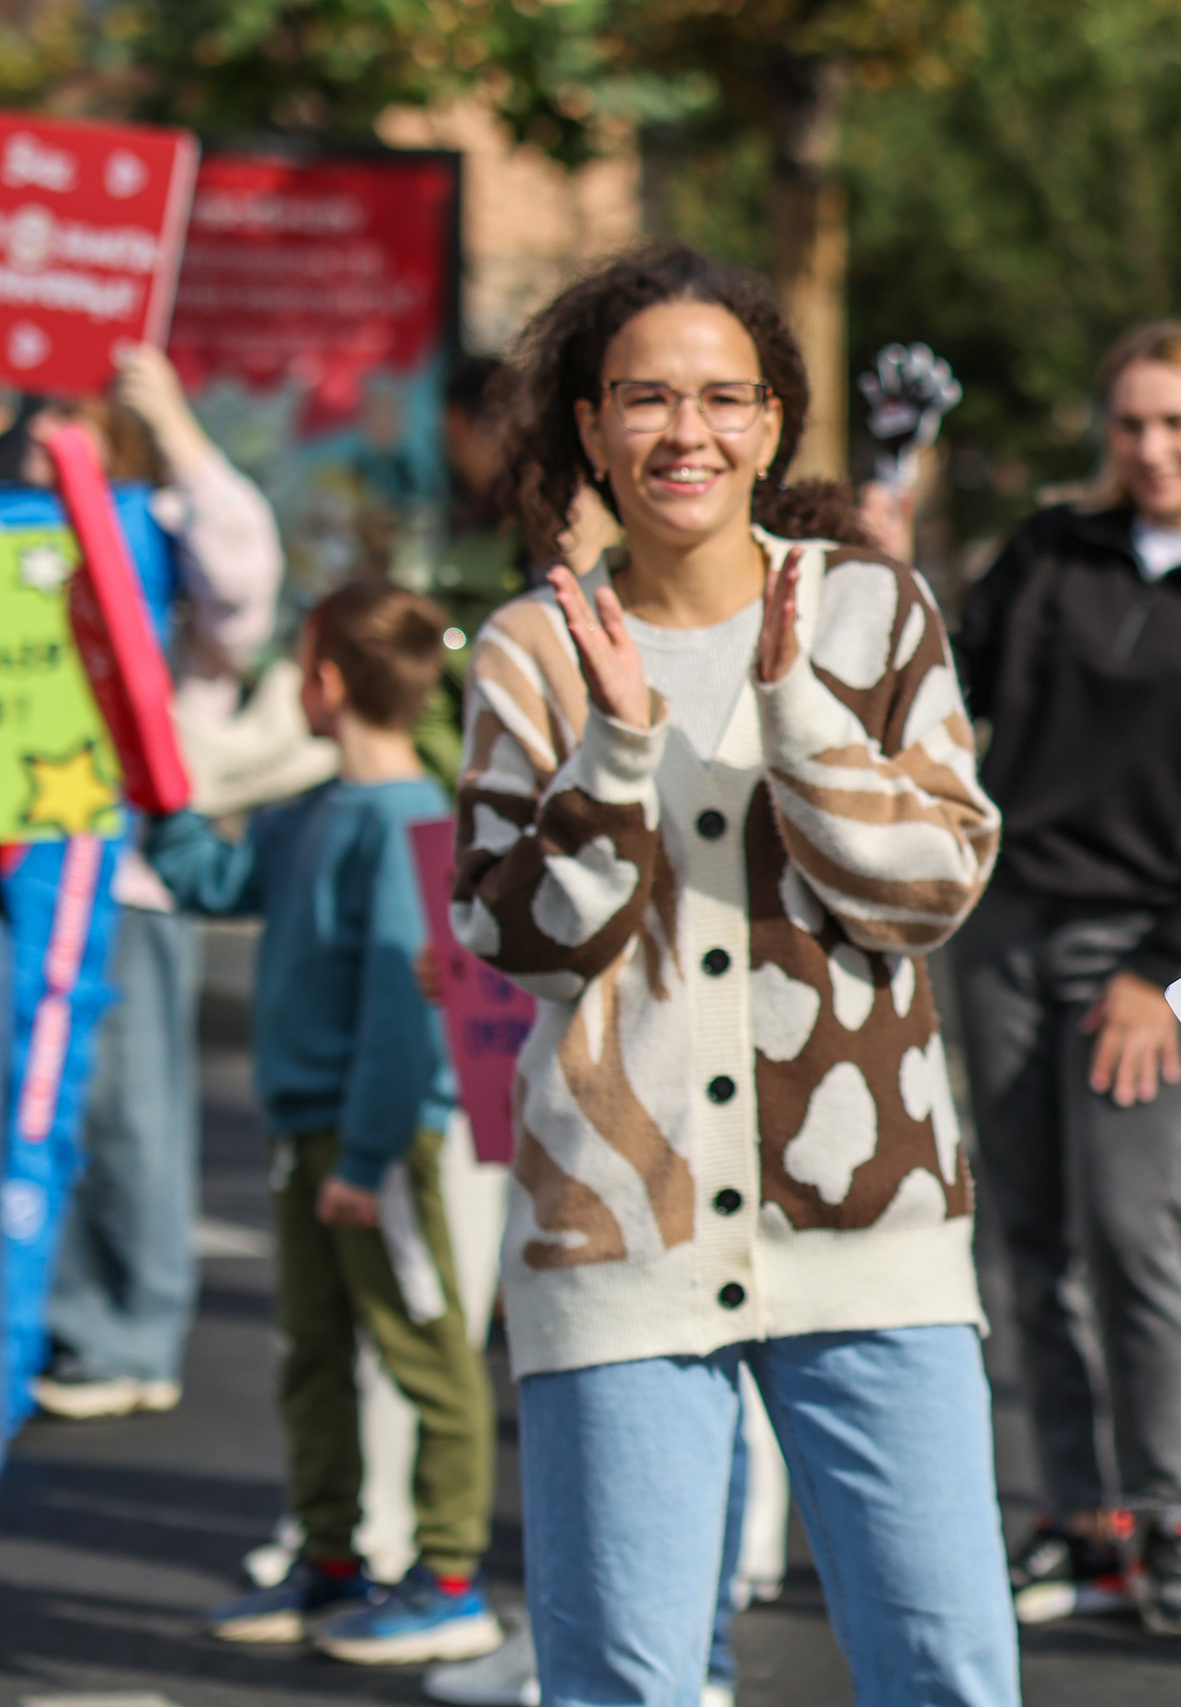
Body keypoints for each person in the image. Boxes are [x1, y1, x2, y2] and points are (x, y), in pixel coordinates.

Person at [452, 242, 1013, 1707]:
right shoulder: (533, 647)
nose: (683, 433)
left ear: (772, 423)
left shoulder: (868, 616)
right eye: (643, 398)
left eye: (721, 398)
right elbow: (519, 935)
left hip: (872, 1228)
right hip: (613, 1241)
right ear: (588, 424)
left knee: (944, 1666)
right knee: (621, 1680)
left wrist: (793, 711)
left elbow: (931, 889)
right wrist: (617, 747)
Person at [952, 320, 1181, 1640]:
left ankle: (1171, 1517)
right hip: (1003, 931)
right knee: (1031, 1242)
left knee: (1132, 1231)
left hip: (1146, 951)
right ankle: (1075, 1514)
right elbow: (950, 682)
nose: (1153, 448)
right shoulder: (1052, 551)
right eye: (1130, 424)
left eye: (1178, 421)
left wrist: (1160, 969)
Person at [152, 581, 503, 1665]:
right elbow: (211, 879)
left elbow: (406, 1010)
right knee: (311, 1355)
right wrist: (155, 797)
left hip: (382, 1145)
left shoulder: (415, 826)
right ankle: (332, 1558)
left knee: (424, 1353)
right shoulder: (306, 813)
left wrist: (365, 1154)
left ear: (328, 680)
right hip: (305, 1135)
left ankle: (448, 1577)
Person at [18, 347, 283, 1424]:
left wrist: (171, 422)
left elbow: (243, 579)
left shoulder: (158, 531)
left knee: (123, 1106)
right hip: (22, 862)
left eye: (66, 413)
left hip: (121, 872)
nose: (44, 433)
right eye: (32, 412)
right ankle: (53, 1318)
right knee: (30, 1097)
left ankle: (124, 1329)